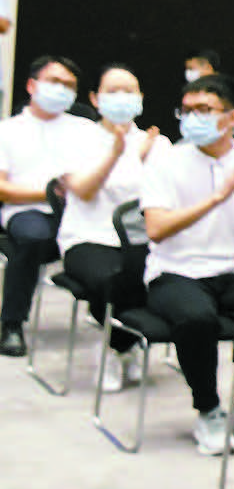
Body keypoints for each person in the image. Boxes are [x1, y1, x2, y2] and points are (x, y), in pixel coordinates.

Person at [141, 76, 234, 454]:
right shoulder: (165, 161)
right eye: (186, 110)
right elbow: (155, 229)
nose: (191, 118)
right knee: (196, 319)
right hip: (176, 270)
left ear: (232, 117)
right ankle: (209, 410)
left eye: (203, 110)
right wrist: (216, 198)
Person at [58, 65, 165, 389]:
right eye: (113, 91)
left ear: (142, 98)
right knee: (115, 279)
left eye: (130, 91)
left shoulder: (156, 143)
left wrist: (141, 156)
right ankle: (115, 348)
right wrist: (119, 156)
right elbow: (83, 190)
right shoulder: (77, 137)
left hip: (140, 241)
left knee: (157, 277)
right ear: (94, 98)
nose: (122, 98)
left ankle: (120, 345)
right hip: (88, 237)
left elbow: (164, 199)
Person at [0, 56, 100, 356]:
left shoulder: (86, 129)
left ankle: (114, 322)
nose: (62, 90)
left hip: (82, 211)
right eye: (54, 82)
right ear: (32, 85)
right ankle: (12, 324)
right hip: (28, 209)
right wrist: (47, 194)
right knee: (31, 238)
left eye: (69, 85)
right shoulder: (8, 130)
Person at [185, 50, 234, 134]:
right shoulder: (194, 92)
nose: (188, 73)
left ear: (208, 67)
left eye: (191, 69)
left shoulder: (229, 91)